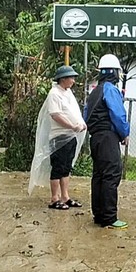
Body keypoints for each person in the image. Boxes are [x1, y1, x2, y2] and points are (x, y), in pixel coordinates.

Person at [28, 65, 87, 209]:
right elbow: (56, 115)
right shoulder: (54, 94)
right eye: (71, 78)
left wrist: (80, 124)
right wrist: (72, 126)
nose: (73, 80)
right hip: (59, 136)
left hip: (70, 136)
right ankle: (55, 198)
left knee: (66, 167)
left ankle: (65, 196)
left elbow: (73, 112)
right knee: (58, 167)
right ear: (63, 79)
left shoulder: (67, 93)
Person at [84, 54, 130, 229]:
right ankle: (110, 217)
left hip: (95, 137)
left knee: (99, 175)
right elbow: (118, 114)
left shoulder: (95, 91)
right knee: (111, 174)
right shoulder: (110, 89)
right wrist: (125, 133)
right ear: (114, 72)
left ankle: (99, 214)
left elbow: (86, 114)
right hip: (108, 137)